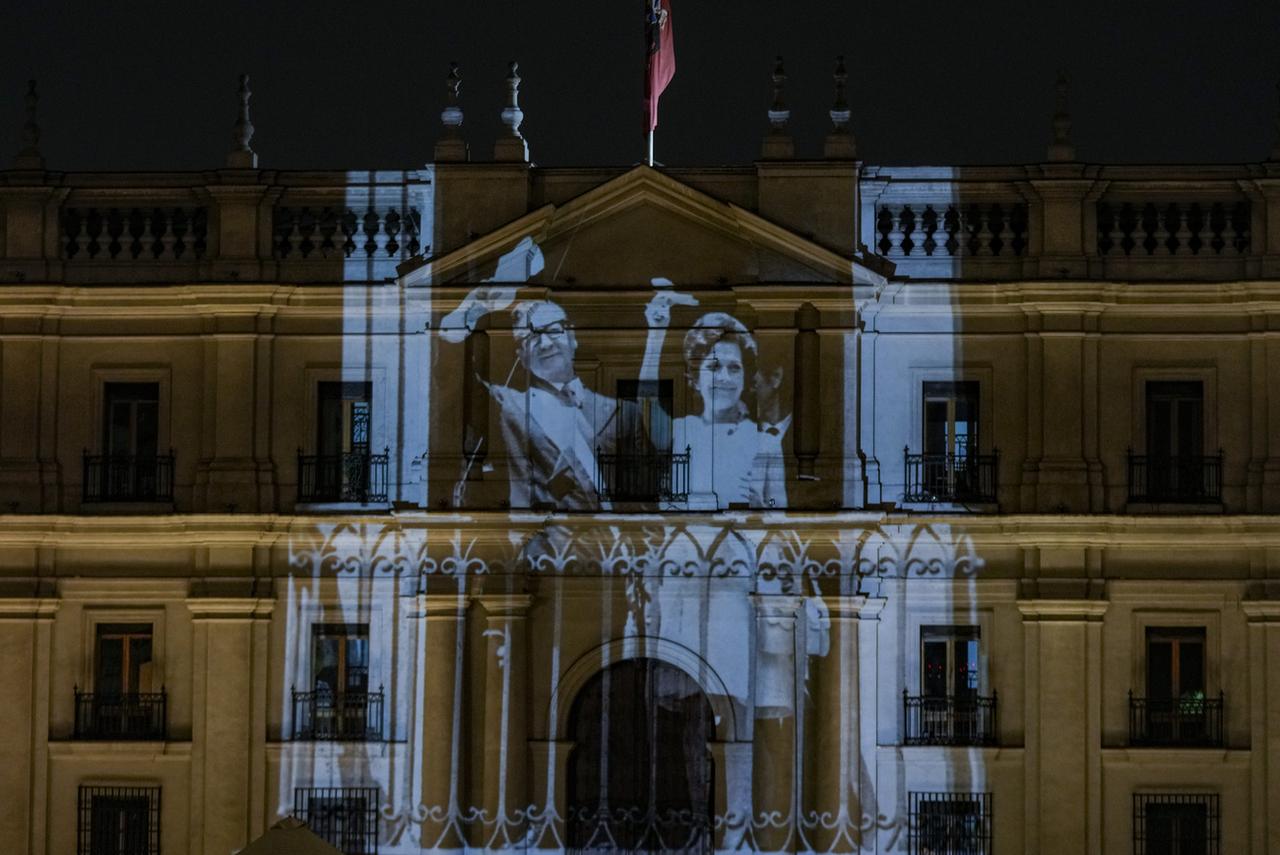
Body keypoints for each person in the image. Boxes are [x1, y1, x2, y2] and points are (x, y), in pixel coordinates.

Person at [673, 313, 786, 509]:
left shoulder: (766, 442)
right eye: (714, 367)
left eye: (734, 368)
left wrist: (763, 507)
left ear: (745, 377)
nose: (725, 378)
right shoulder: (678, 433)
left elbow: (779, 506)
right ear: (696, 379)